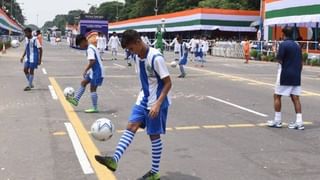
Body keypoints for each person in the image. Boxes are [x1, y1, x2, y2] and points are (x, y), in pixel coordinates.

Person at [95, 29, 172, 180]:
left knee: (154, 136)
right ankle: (115, 160)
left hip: (157, 102)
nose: (131, 52)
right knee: (131, 126)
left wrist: (157, 104)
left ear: (138, 42)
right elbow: (146, 80)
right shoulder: (137, 57)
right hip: (143, 99)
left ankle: (154, 172)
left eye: (131, 48)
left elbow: (168, 83)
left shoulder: (156, 57)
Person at [267, 27, 304, 130]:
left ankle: (277, 120)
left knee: (277, 96)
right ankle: (299, 122)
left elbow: (279, 59)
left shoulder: (283, 44)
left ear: (283, 34)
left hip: (285, 74)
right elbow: (301, 62)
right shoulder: (297, 45)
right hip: (296, 75)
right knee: (295, 98)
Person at [66, 33, 104, 113]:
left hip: (97, 71)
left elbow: (92, 61)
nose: (80, 47)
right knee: (83, 82)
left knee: (93, 89)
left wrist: (86, 70)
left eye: (80, 44)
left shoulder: (90, 49)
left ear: (83, 41)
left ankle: (95, 107)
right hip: (93, 71)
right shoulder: (91, 47)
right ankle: (76, 99)